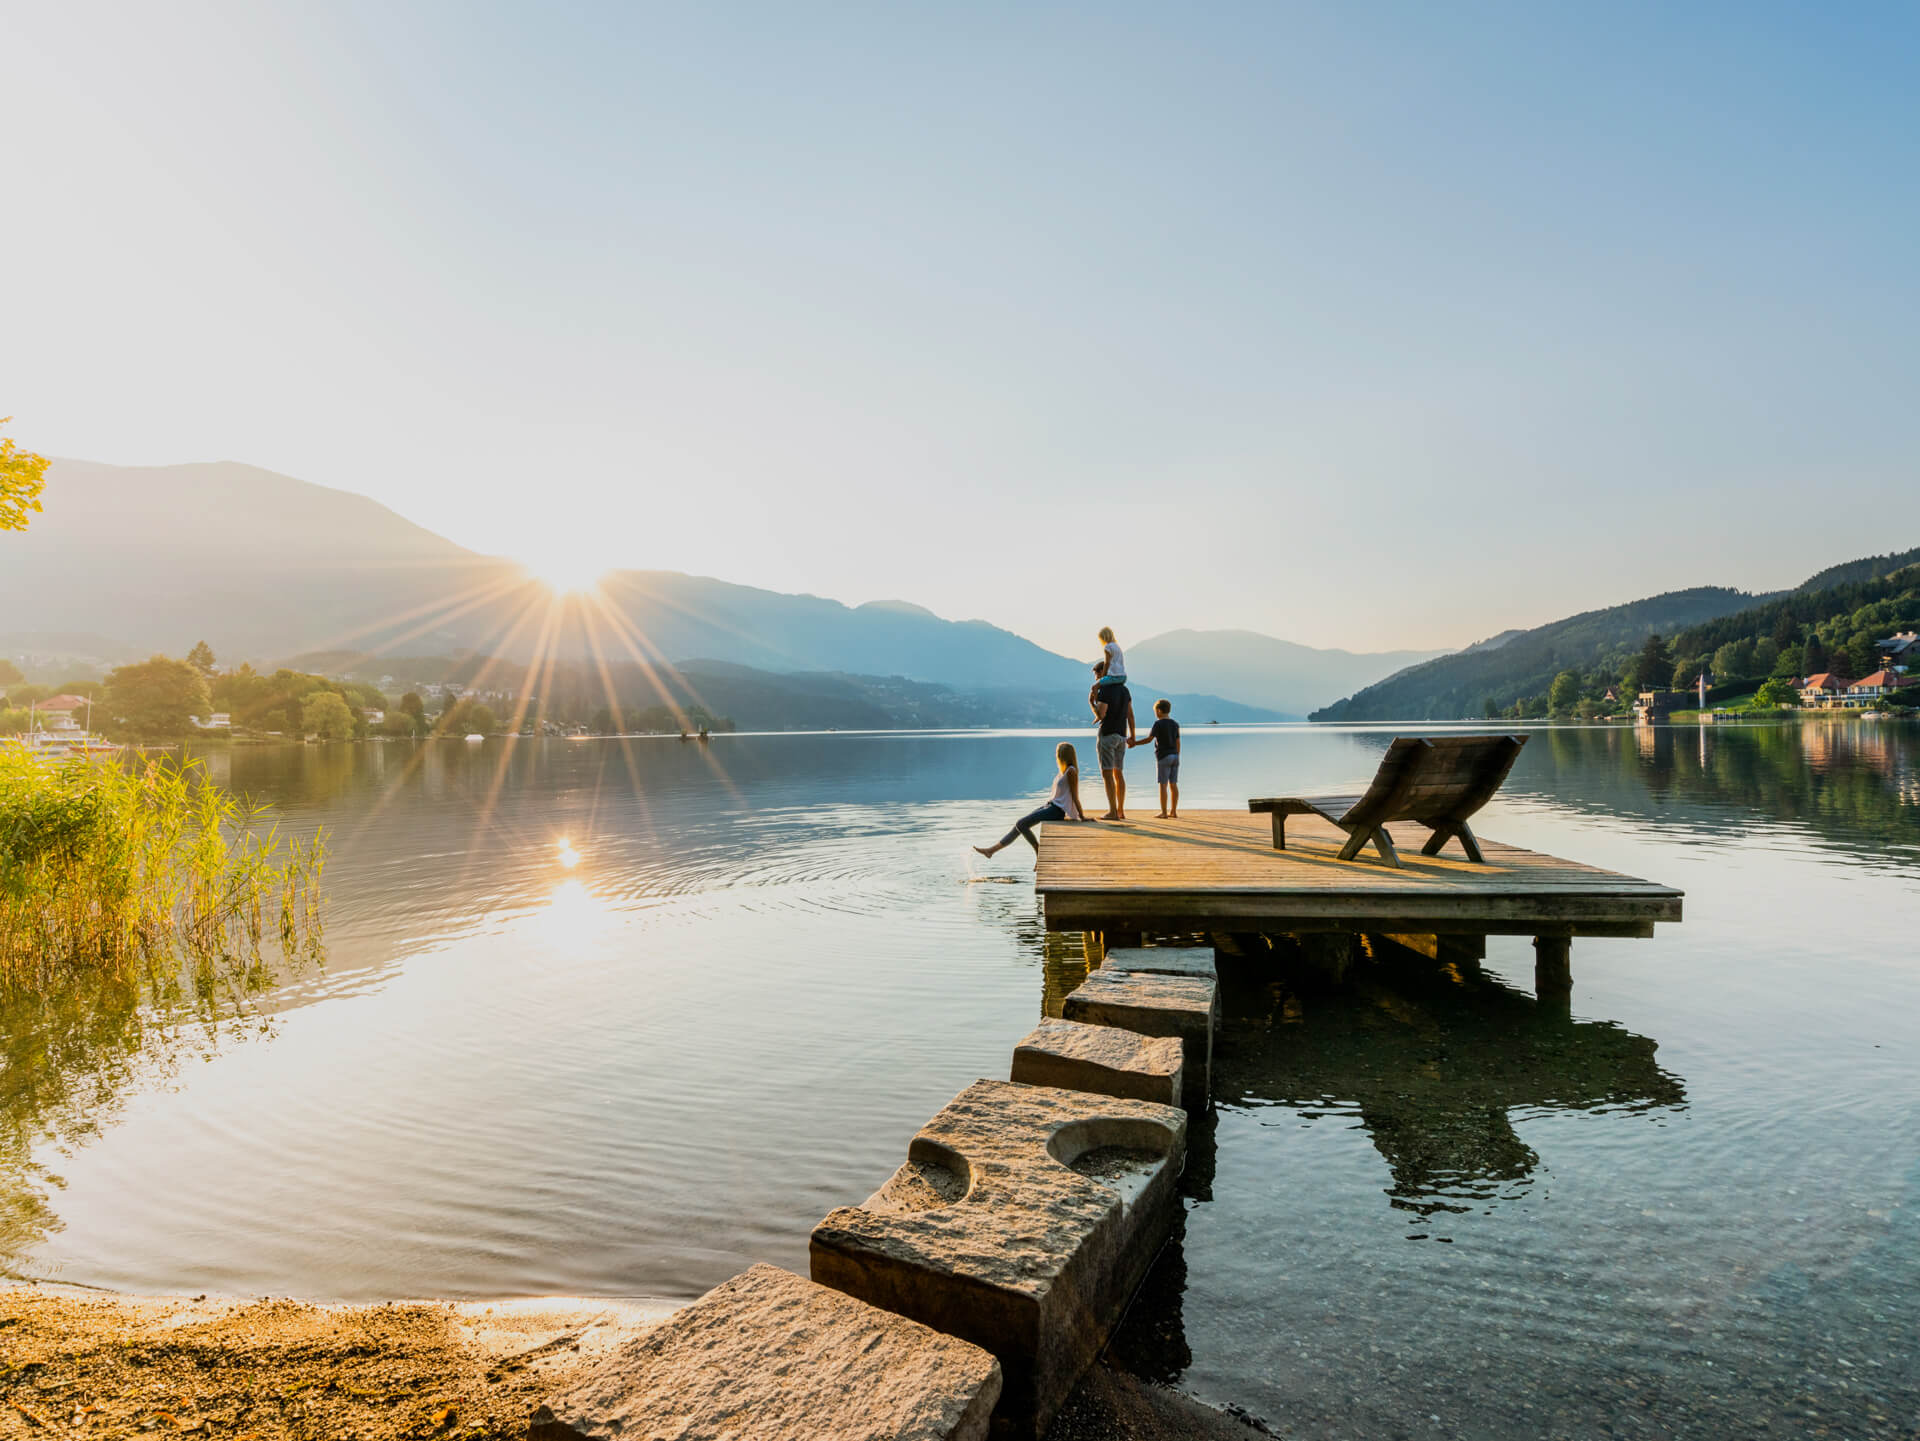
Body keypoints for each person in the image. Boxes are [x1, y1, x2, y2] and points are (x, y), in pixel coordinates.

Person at [973, 741, 1091, 857]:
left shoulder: (1071, 771)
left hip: (1057, 810)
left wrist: (1081, 816)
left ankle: (1037, 850)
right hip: (1050, 806)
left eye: (1058, 753)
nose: (1056, 756)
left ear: (1064, 755)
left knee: (1021, 823)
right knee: (1019, 826)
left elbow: (1075, 795)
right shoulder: (1063, 770)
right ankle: (991, 851)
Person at [1089, 659, 1135, 820]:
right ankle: (1120, 810)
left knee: (1107, 774)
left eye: (1097, 675)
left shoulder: (1105, 691)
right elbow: (1130, 714)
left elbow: (1101, 714)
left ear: (1103, 673)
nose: (1096, 679)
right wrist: (1133, 736)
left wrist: (1091, 702)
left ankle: (1112, 811)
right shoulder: (1124, 690)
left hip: (1107, 734)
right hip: (1122, 735)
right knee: (1118, 773)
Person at [1130, 697, 1180, 817]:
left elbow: (1149, 739)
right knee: (1173, 784)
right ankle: (1173, 811)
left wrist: (1134, 743)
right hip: (1175, 756)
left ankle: (1163, 812)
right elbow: (1178, 742)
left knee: (1163, 785)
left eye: (1155, 711)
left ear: (1159, 711)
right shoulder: (1175, 724)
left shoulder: (1158, 724)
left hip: (1164, 757)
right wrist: (1177, 755)